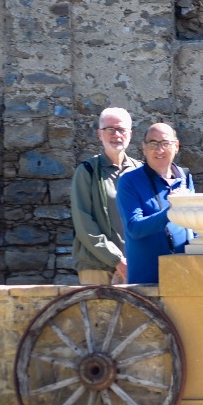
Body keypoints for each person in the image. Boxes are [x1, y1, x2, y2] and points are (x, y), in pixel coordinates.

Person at [116, 123, 195, 285]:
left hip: (186, 278)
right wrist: (171, 211)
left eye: (165, 143)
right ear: (144, 148)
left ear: (176, 146)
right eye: (153, 144)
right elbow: (134, 228)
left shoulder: (185, 178)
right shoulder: (129, 181)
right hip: (147, 282)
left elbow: (193, 225)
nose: (159, 150)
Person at [71, 107, 138, 284]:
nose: (116, 134)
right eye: (110, 129)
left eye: (121, 129)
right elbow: (83, 223)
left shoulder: (141, 172)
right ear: (100, 134)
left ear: (130, 134)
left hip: (136, 265)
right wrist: (116, 260)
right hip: (97, 268)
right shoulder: (87, 171)